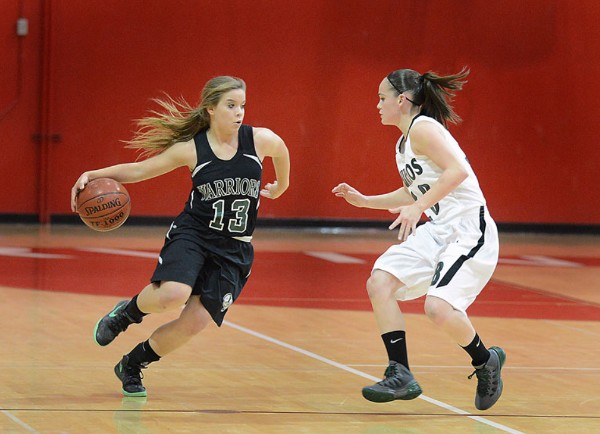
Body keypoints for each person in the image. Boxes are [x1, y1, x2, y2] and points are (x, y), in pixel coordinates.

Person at [71, 76, 290, 397]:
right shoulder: (192, 149)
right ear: (211, 109)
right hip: (195, 235)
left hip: (235, 248)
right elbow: (140, 170)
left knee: (195, 322)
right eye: (230, 106)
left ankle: (132, 364)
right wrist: (93, 174)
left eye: (242, 105)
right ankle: (126, 315)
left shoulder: (260, 140)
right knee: (172, 294)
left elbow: (282, 152)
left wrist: (281, 185)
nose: (239, 112)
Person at [332, 67, 504, 411]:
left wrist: (418, 207)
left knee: (437, 309)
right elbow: (413, 190)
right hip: (439, 229)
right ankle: (400, 373)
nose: (377, 105)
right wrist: (365, 201)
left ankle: (486, 361)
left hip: (468, 228)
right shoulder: (403, 142)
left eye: (381, 98)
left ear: (401, 100)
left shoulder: (423, 128)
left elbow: (457, 172)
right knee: (380, 283)